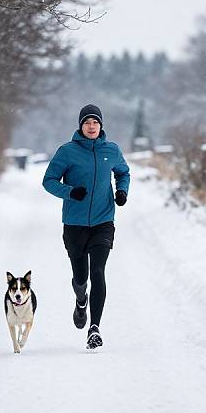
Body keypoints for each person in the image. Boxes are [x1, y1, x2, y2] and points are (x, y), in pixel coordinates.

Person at [42, 104, 130, 349]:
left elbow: (123, 172)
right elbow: (48, 181)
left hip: (103, 221)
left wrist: (122, 191)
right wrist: (70, 192)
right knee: (81, 278)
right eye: (87, 122)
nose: (92, 126)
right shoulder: (67, 152)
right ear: (80, 126)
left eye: (95, 122)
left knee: (98, 271)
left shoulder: (111, 150)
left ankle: (95, 328)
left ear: (101, 126)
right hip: (75, 224)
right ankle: (81, 301)